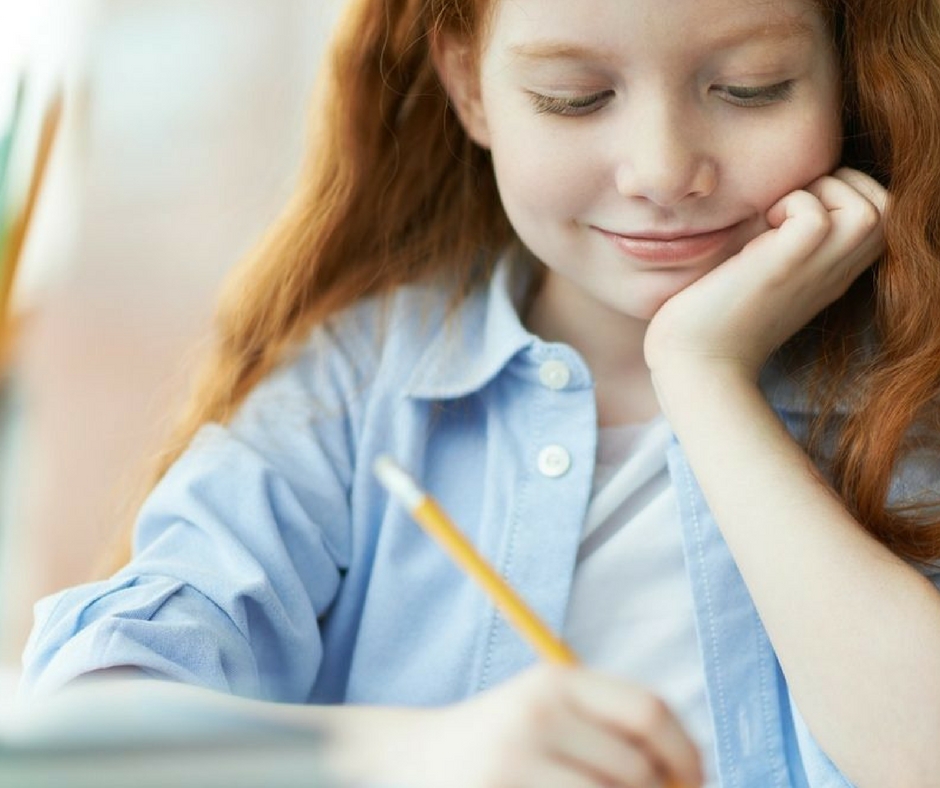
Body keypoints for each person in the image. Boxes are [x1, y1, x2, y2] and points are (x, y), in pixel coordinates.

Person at [19, 0, 940, 785]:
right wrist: (419, 755)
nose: (661, 172)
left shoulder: (913, 385)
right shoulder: (357, 389)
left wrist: (704, 377)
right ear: (469, 88)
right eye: (573, 98)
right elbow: (87, 730)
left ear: (846, 77)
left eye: (750, 86)